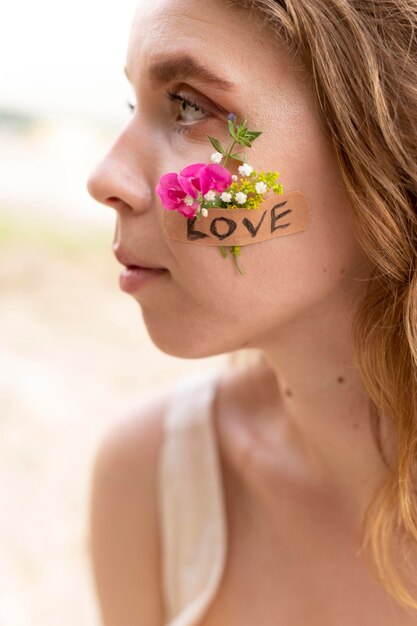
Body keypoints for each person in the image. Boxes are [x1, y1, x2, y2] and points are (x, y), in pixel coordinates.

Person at [86, 0, 417, 624]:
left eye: (189, 106)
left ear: (388, 141)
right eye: (136, 106)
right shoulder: (153, 479)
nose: (105, 177)